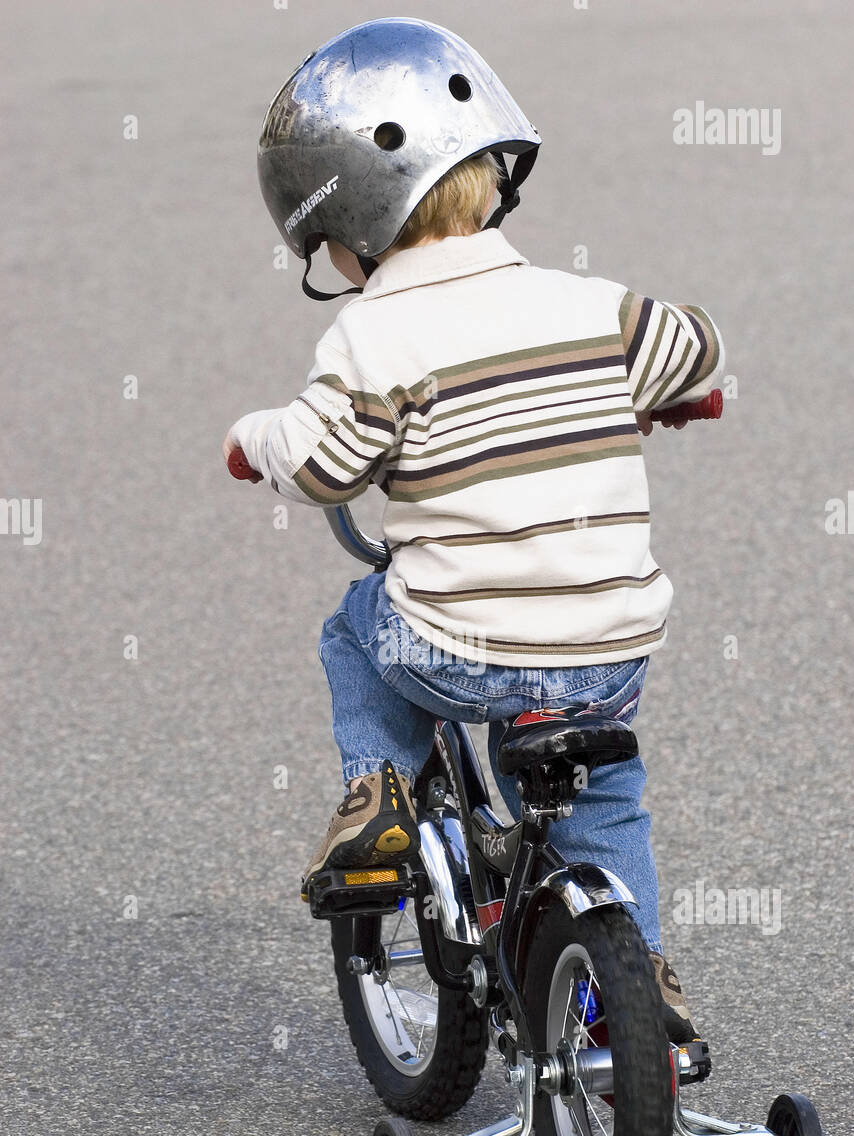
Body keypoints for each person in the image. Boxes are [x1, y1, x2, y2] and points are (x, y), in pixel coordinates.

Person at [222, 17, 724, 1044]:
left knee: (358, 627)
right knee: (608, 798)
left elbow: (323, 465)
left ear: (348, 230)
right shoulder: (592, 305)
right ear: (495, 172)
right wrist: (662, 394)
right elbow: (697, 349)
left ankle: (380, 795)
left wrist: (252, 440)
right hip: (608, 659)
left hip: (463, 653)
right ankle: (638, 985)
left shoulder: (372, 336)